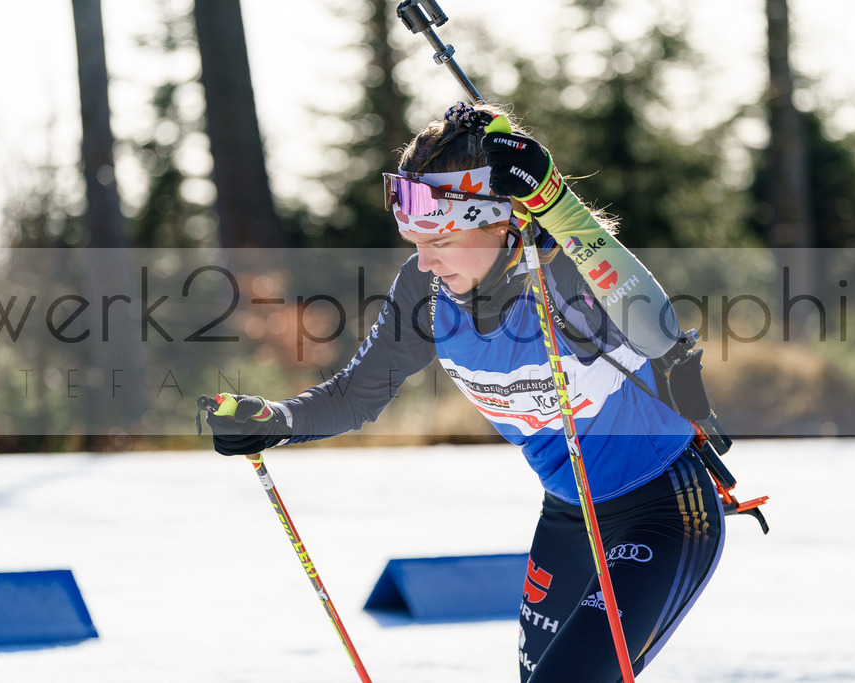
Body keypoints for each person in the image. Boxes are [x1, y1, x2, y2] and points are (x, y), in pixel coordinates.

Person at [204, 101, 724, 681]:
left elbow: (660, 335)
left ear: (499, 220)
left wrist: (557, 203)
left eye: (441, 240)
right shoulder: (424, 293)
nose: (424, 262)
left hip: (662, 511)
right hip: (569, 517)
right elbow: (357, 394)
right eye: (412, 240)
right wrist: (275, 420)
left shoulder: (564, 271)